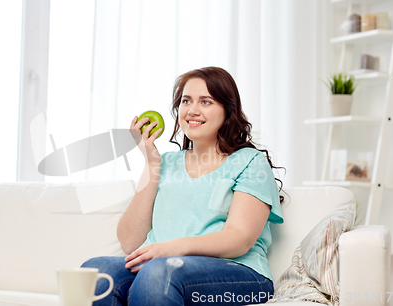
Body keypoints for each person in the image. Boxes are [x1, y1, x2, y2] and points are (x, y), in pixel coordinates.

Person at [81, 66, 285, 305]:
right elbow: (130, 242)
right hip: (162, 266)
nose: (192, 110)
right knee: (97, 271)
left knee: (160, 273)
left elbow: (239, 238)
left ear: (227, 111)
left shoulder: (250, 162)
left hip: (242, 276)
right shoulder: (165, 163)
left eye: (206, 102)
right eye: (186, 101)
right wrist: (152, 165)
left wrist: (171, 249)